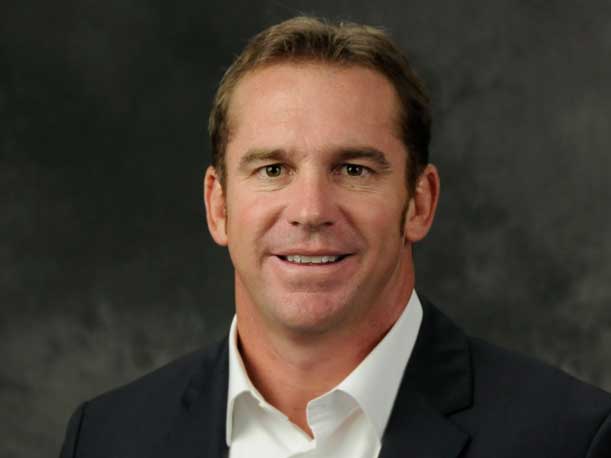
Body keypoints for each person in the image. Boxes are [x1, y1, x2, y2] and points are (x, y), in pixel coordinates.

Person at [60, 16, 611, 458]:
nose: (310, 211)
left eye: (353, 169)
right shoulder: (107, 438)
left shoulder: (571, 439)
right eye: (273, 169)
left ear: (419, 203)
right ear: (219, 206)